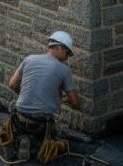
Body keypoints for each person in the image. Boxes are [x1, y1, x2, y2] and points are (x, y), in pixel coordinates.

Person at [6, 31, 80, 160]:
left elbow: (12, 84)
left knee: (14, 110)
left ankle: (23, 140)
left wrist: (26, 94)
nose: (68, 57)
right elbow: (76, 104)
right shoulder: (64, 70)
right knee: (55, 143)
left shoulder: (29, 59)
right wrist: (62, 100)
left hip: (19, 117)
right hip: (41, 123)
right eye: (67, 53)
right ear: (60, 48)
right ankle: (34, 145)